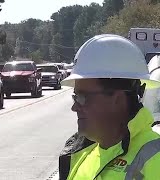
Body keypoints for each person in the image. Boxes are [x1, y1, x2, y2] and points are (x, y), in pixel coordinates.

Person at [58, 34, 160, 179]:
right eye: (75, 97)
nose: (74, 107)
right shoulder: (81, 153)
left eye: (82, 97)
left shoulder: (155, 159)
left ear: (117, 99)